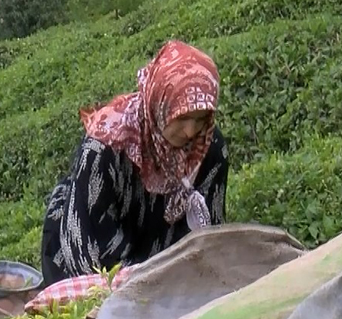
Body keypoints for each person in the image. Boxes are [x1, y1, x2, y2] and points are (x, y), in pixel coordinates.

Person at [40, 39, 230, 288]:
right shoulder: (106, 144)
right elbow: (89, 248)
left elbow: (210, 232)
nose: (190, 131)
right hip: (94, 250)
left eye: (201, 118)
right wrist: (136, 283)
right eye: (182, 117)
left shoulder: (209, 146)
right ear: (161, 104)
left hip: (163, 258)